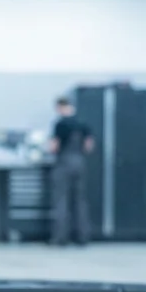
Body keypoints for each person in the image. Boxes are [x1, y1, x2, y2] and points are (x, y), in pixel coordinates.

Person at [48, 96, 95, 246]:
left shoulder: (60, 124)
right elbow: (89, 146)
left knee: (61, 200)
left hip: (64, 163)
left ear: (60, 107)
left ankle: (60, 238)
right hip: (80, 163)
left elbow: (53, 147)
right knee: (80, 201)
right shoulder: (83, 123)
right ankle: (82, 237)